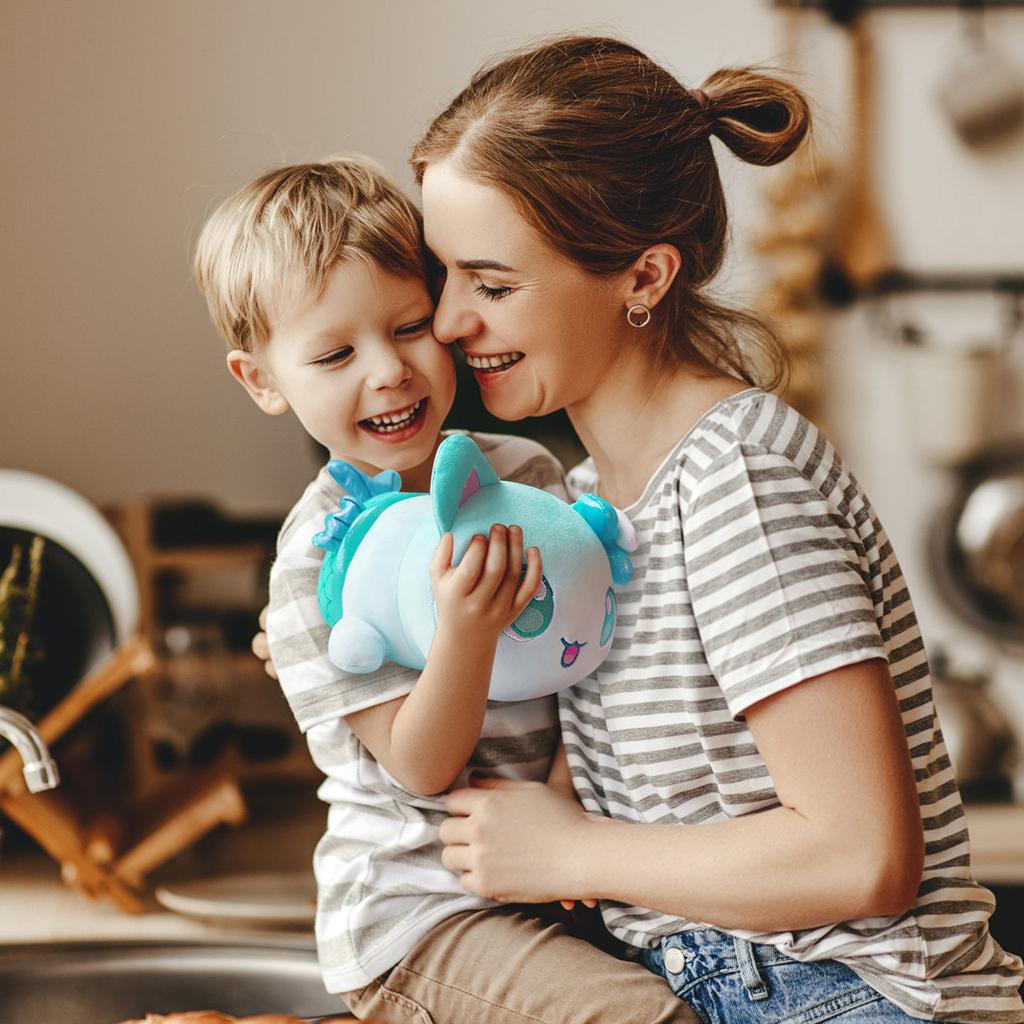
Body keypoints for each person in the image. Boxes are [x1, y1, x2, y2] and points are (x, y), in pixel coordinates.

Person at [405, 35, 1024, 1024]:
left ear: (643, 278)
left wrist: (567, 850)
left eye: (492, 282)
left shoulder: (734, 478)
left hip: (852, 1003)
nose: (445, 322)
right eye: (442, 274)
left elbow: (861, 853)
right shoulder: (584, 498)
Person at [196, 156, 702, 1024]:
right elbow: (421, 766)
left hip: (553, 880)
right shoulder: (314, 568)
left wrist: (564, 806)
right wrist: (465, 632)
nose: (389, 370)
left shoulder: (529, 473)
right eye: (335, 353)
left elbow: (593, 662)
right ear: (263, 381)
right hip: (422, 920)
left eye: (409, 327)